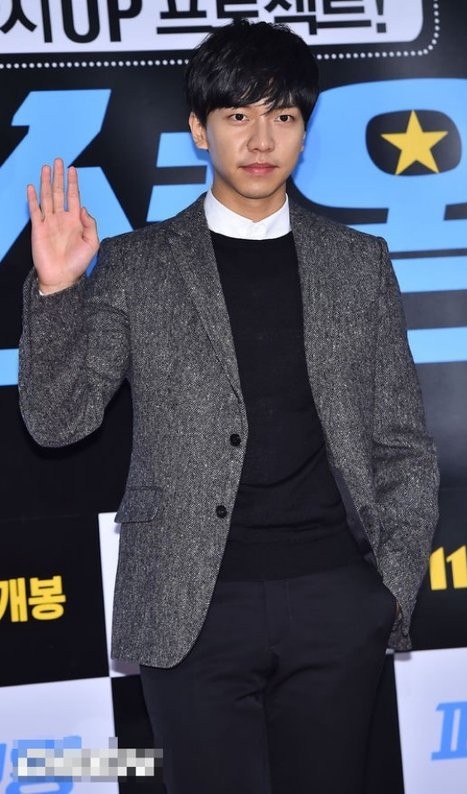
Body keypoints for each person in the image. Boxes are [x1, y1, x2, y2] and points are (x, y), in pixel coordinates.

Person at [19, 19, 439, 794]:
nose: (261, 139)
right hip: (190, 609)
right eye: (237, 114)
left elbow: (402, 445)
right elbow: (57, 419)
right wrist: (57, 290)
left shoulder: (358, 264)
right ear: (198, 129)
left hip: (334, 603)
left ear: (304, 131)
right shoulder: (139, 265)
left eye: (283, 115)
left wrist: (386, 592)